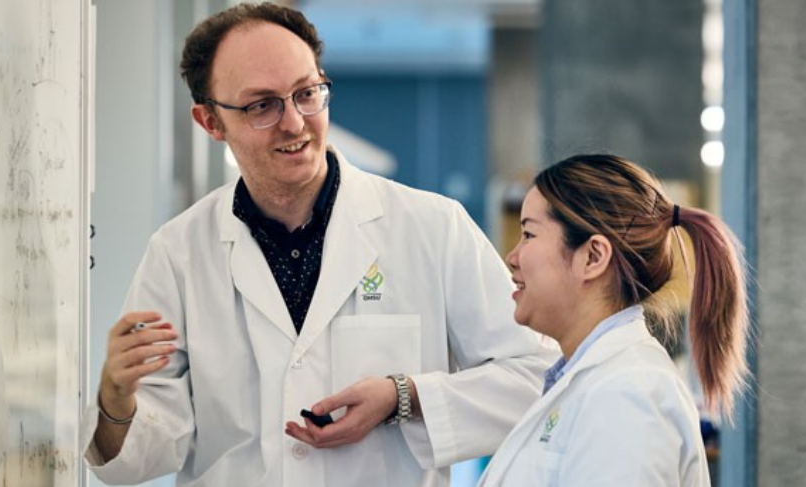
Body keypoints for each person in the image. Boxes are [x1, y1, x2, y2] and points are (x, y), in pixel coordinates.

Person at [81, 3, 555, 486]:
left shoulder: (433, 228)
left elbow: (539, 376)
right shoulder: (179, 253)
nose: (294, 122)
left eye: (306, 93)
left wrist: (402, 396)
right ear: (210, 122)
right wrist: (116, 397)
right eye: (261, 105)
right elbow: (135, 464)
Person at [477, 154, 750, 486]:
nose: (512, 257)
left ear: (593, 257)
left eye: (529, 235)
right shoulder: (600, 382)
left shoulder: (629, 394)